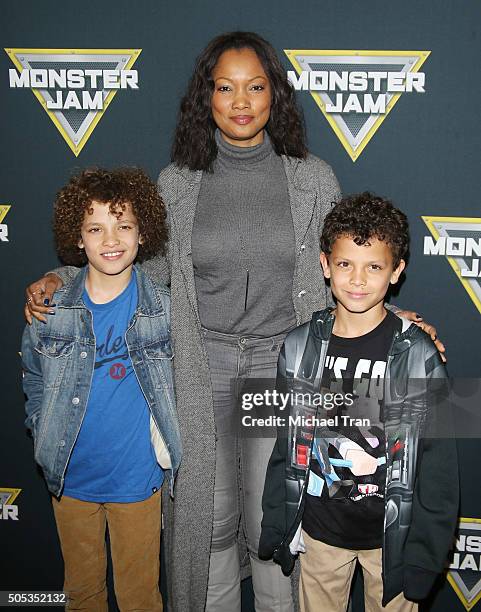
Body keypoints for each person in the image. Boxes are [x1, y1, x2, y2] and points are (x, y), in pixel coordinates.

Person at [24, 33, 443, 612]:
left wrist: (393, 319)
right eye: (226, 87)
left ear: (276, 96)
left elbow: (346, 263)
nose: (241, 101)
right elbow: (136, 265)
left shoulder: (312, 178)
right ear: (208, 97)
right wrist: (58, 279)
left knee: (272, 515)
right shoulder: (178, 183)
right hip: (203, 365)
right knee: (208, 521)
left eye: (255, 86)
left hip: (281, 368)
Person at [258, 193, 458, 612]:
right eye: (345, 264)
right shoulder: (298, 348)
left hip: (392, 543)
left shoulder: (417, 354)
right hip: (319, 535)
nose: (358, 280)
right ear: (325, 264)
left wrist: (425, 552)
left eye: (374, 267)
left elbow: (439, 464)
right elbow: (287, 443)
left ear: (397, 271)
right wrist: (279, 519)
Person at [21, 168, 182, 612]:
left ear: (142, 233)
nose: (111, 240)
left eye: (123, 226)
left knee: (139, 597)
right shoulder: (51, 310)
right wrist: (41, 427)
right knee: (83, 594)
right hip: (71, 479)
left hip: (137, 482)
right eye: (96, 228)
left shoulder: (164, 310)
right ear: (78, 238)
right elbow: (34, 375)